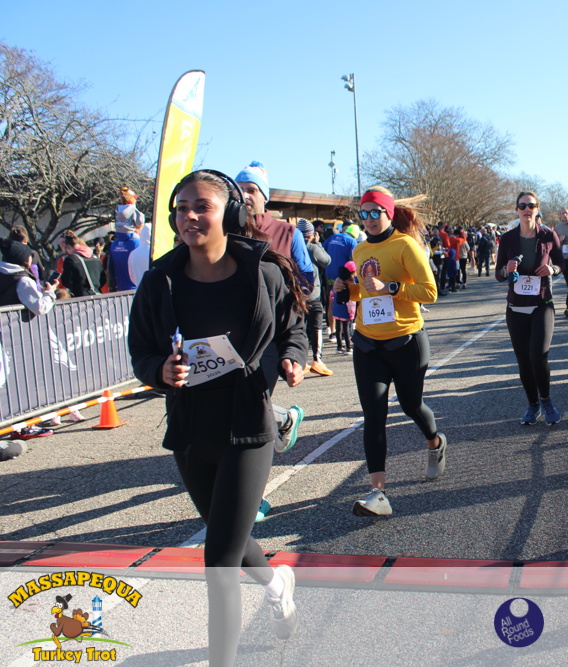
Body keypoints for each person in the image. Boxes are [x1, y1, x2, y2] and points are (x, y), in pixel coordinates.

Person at [128, 169, 307, 664]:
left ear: (228, 212)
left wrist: (293, 357)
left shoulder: (262, 273)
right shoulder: (159, 282)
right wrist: (160, 370)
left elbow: (293, 328)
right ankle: (278, 584)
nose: (189, 216)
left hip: (248, 424)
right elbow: (140, 351)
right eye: (181, 208)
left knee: (219, 562)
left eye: (201, 206)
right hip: (191, 428)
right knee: (231, 537)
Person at [333, 187, 444, 517]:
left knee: (411, 405)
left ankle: (435, 443)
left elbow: (430, 292)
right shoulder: (360, 248)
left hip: (406, 342)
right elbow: (365, 292)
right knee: (374, 415)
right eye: (363, 214)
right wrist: (347, 290)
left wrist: (391, 287)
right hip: (368, 344)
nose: (368, 219)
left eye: (374, 212)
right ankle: (377, 493)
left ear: (388, 213)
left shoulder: (405, 245)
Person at [235, 161, 307, 452]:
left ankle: (277, 427)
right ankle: (283, 419)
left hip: (274, 334)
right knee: (238, 404)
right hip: (236, 334)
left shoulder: (288, 233)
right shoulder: (226, 231)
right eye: (239, 189)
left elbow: (307, 276)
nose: (245, 194)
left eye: (251, 189)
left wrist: (290, 301)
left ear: (264, 197)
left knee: (251, 403)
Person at [495, 191, 564, 426]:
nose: (527, 210)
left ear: (537, 209)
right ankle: (533, 404)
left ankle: (546, 400)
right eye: (522, 206)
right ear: (517, 210)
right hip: (516, 307)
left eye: (531, 206)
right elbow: (499, 275)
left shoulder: (548, 235)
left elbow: (561, 262)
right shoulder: (507, 239)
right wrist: (506, 269)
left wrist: (553, 269)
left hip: (542, 304)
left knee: (538, 356)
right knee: (524, 361)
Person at [296, 218, 333, 375]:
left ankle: (301, 361)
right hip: (312, 293)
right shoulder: (312, 248)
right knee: (316, 327)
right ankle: (317, 360)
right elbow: (326, 260)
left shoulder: (292, 246)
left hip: (296, 294)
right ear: (311, 234)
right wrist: (317, 243)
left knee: (300, 328)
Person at [0, 238, 57, 316]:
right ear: (24, 260)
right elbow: (40, 308)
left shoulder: (3, 274)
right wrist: (50, 292)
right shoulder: (24, 281)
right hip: (17, 322)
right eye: (30, 255)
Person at [108, 186, 145, 291]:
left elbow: (111, 270)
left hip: (121, 291)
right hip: (137, 289)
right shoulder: (136, 243)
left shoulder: (114, 244)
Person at [58, 231, 102, 298]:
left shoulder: (70, 259)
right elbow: (103, 279)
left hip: (80, 297)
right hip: (98, 295)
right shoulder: (95, 257)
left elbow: (66, 282)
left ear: (68, 247)